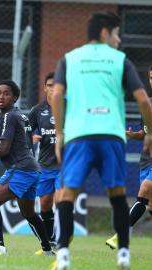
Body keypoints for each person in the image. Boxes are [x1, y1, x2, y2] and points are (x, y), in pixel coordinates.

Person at [50, 12, 152, 270]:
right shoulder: (120, 60)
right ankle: (124, 255)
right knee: (117, 194)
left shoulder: (69, 59)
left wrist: (60, 133)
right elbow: (143, 99)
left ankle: (62, 255)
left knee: (67, 194)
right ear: (106, 32)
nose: (118, 40)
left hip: (78, 136)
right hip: (111, 135)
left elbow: (57, 94)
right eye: (117, 34)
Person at [0, 80, 54, 256]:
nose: (1, 97)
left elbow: (4, 148)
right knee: (29, 213)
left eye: (6, 93)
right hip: (32, 169)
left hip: (20, 168)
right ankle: (48, 250)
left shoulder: (9, 116)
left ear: (15, 97)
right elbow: (5, 140)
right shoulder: (19, 116)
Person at [106, 65, 152, 249]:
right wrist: (135, 135)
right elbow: (146, 132)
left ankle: (121, 234)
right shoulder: (147, 104)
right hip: (146, 160)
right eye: (150, 77)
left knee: (145, 190)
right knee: (149, 205)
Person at [28, 72, 61, 253]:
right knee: (46, 204)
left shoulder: (69, 108)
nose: (53, 88)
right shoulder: (37, 110)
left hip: (65, 164)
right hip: (45, 165)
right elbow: (24, 132)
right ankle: (50, 242)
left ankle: (63, 240)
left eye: (57, 85)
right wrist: (31, 137)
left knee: (62, 200)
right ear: (45, 87)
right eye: (50, 85)